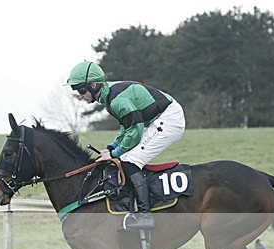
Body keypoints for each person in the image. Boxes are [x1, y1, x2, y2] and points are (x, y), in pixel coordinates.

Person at [67, 60, 186, 230]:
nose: (80, 95)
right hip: (156, 119)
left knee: (130, 161)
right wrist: (110, 148)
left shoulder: (116, 100)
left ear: (93, 85)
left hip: (168, 120)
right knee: (125, 158)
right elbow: (127, 127)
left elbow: (135, 132)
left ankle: (145, 216)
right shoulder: (110, 97)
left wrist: (114, 154)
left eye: (81, 90)